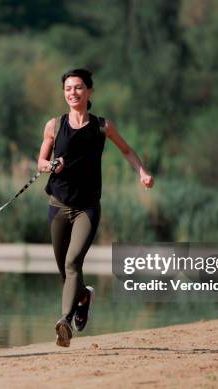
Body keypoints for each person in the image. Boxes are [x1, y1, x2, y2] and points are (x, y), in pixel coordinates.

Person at [37, 68, 154, 347]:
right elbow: (40, 162)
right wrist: (50, 164)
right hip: (58, 205)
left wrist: (142, 172)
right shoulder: (54, 125)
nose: (72, 93)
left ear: (89, 91)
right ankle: (84, 297)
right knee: (64, 271)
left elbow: (126, 150)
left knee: (72, 262)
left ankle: (64, 322)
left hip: (87, 208)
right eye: (68, 88)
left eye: (78, 88)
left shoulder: (103, 126)